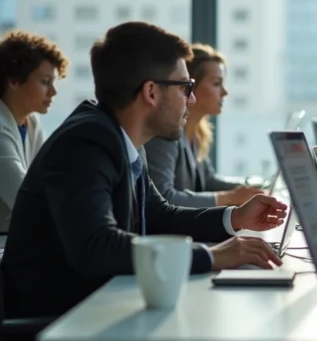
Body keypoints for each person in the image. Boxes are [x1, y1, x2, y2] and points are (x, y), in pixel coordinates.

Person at [1, 22, 287, 319]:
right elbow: (98, 246)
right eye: (186, 87)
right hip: (56, 326)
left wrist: (235, 217)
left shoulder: (124, 137)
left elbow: (159, 215)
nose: (191, 99)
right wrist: (211, 256)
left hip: (97, 307)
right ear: (151, 92)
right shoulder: (85, 143)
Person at [145, 43, 261, 207]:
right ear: (189, 86)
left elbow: (207, 180)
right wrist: (228, 198)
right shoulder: (165, 133)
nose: (224, 92)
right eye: (216, 83)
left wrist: (254, 187)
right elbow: (163, 197)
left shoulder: (197, 132)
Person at [0, 31, 68, 233]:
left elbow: (49, 178)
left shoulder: (31, 121)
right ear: (13, 81)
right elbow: (25, 198)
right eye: (45, 81)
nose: (53, 91)